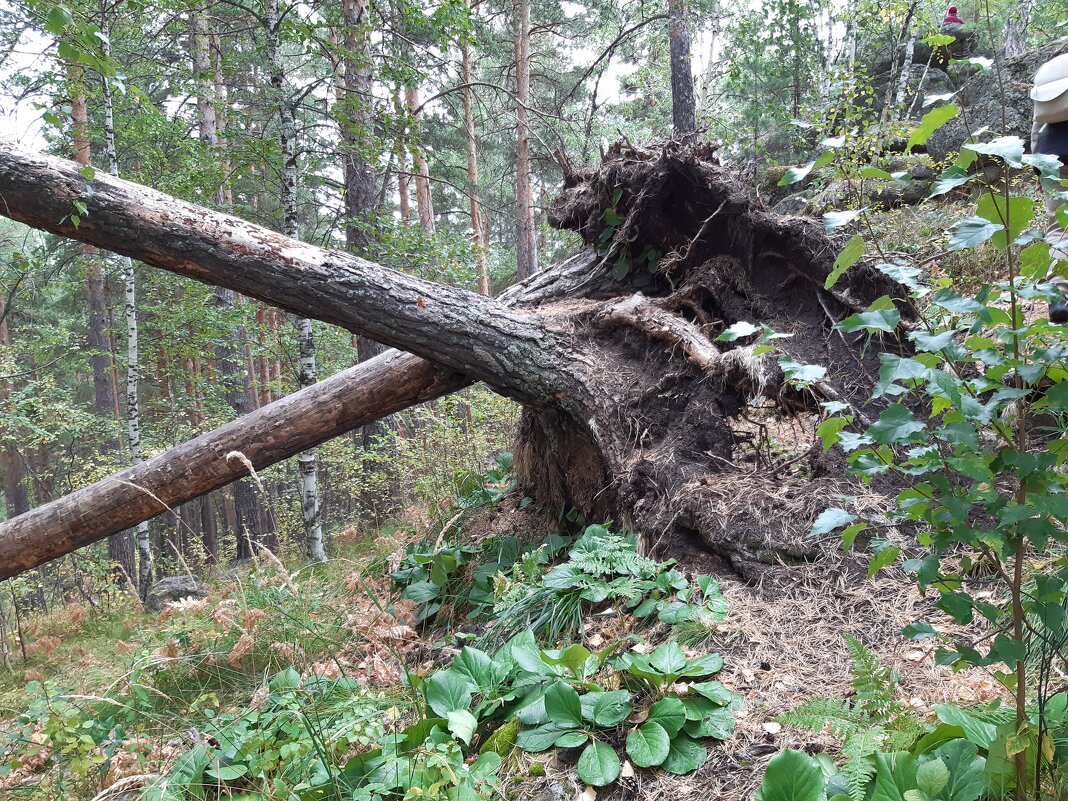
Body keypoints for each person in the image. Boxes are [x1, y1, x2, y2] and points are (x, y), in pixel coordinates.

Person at [1030, 53, 1068, 322]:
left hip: (1052, 156)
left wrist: (1038, 166)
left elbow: (1036, 125)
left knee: (1058, 228)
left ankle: (1059, 295)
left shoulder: (1049, 69)